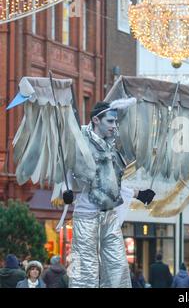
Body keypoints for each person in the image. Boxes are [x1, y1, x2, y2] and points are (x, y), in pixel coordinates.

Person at [64, 101, 156, 288]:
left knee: (118, 268)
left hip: (109, 215)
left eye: (115, 122)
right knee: (85, 271)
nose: (114, 126)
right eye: (110, 121)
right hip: (87, 215)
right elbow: (68, 171)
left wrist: (139, 194)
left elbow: (112, 184)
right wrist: (67, 192)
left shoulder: (111, 147)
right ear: (96, 120)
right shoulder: (80, 141)